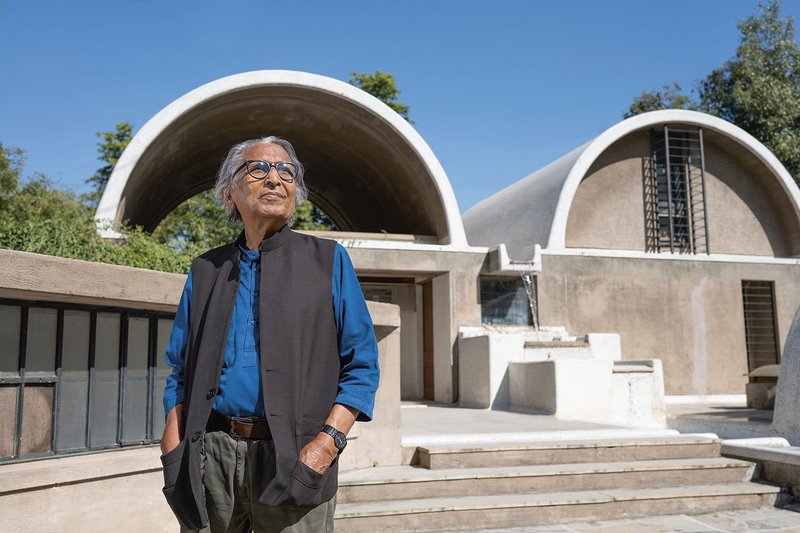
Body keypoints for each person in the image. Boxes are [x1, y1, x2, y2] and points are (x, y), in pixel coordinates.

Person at [159, 136, 380, 532]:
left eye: (286, 171)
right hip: (212, 455)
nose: (275, 179)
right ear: (229, 194)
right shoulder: (205, 270)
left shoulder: (328, 260)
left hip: (296, 455)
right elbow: (179, 368)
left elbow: (362, 364)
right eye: (258, 168)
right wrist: (172, 444)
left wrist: (327, 443)